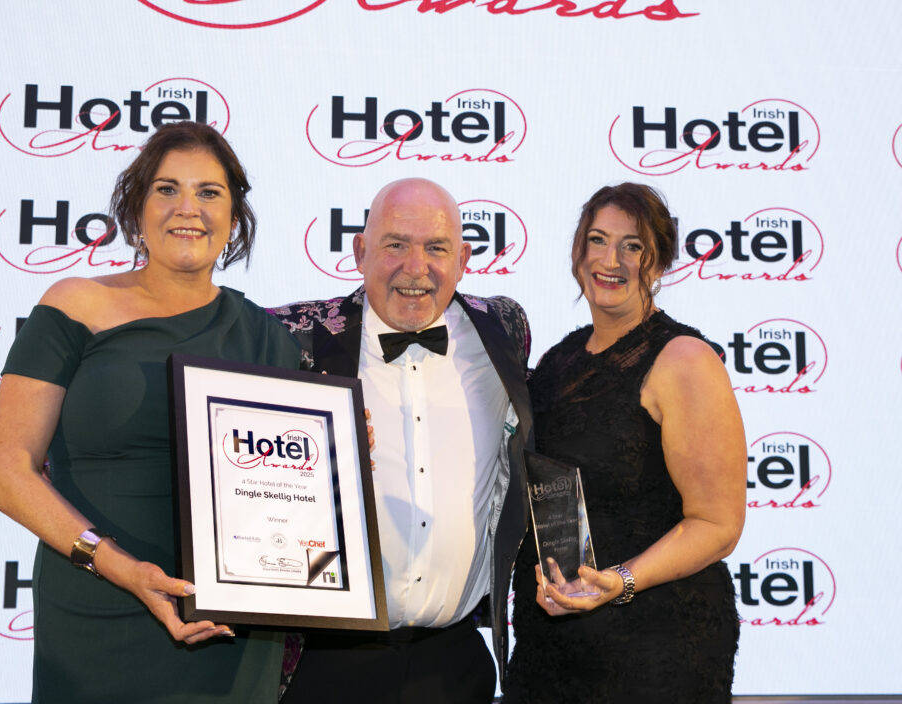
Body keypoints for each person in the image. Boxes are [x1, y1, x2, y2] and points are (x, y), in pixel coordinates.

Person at [0, 121, 301, 703]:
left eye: (210, 192)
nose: (189, 208)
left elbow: (283, 491)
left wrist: (339, 460)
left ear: (234, 218)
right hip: (95, 608)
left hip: (225, 629)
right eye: (167, 189)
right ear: (135, 209)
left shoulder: (268, 338)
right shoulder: (74, 306)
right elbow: (6, 476)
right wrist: (123, 569)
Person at [269, 178, 533, 704]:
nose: (416, 268)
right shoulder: (291, 337)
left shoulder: (503, 329)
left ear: (463, 259)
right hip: (324, 663)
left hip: (455, 662)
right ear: (360, 252)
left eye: (436, 248)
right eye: (395, 245)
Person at [504, 183, 746, 703]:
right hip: (553, 643)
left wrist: (621, 580)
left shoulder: (684, 360)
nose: (610, 260)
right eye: (597, 239)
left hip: (653, 649)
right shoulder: (557, 360)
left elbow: (718, 524)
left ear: (658, 263)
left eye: (632, 246)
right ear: (578, 252)